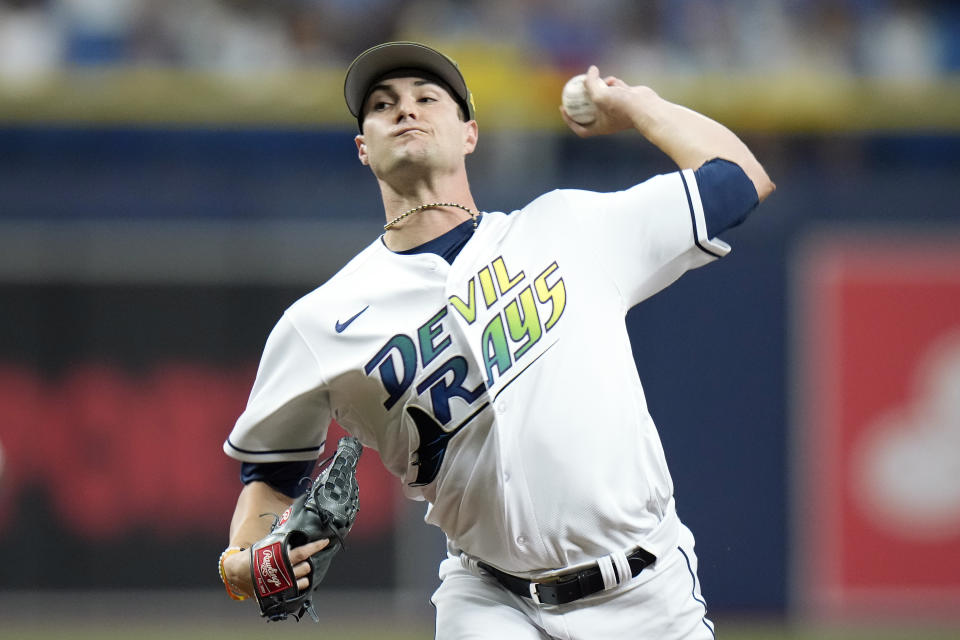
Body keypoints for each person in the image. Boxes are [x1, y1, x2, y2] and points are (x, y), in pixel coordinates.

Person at [219, 41, 774, 639]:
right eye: (383, 105)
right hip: (488, 601)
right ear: (364, 149)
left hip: (646, 591)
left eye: (427, 98)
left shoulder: (568, 228)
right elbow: (269, 482)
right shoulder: (318, 324)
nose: (405, 109)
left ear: (469, 134)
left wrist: (638, 107)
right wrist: (243, 563)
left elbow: (741, 179)